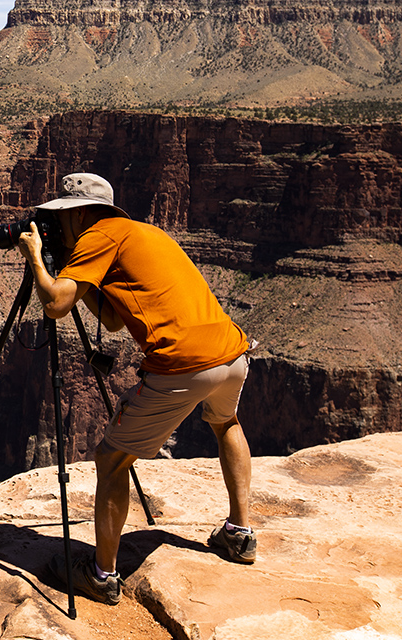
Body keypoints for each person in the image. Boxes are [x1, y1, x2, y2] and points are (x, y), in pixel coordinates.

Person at [15, 172, 256, 606]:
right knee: (226, 422)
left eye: (59, 218)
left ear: (80, 214)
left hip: (184, 365)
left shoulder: (96, 234)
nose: (56, 226)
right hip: (232, 353)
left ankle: (102, 575)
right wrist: (79, 276)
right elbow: (110, 319)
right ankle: (240, 534)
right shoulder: (141, 231)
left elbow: (54, 306)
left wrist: (36, 256)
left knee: (111, 460)